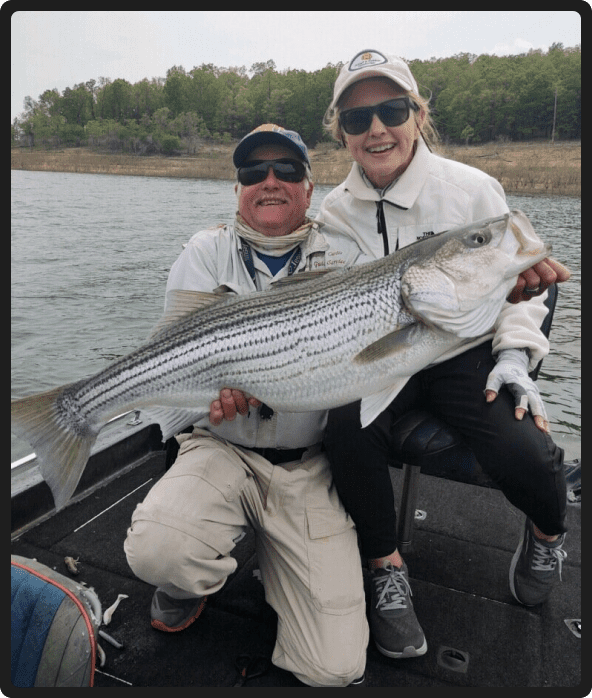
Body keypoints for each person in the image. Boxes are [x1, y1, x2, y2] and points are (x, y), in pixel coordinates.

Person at [317, 49, 569, 660]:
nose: (376, 128)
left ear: (418, 113)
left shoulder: (474, 190)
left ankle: (545, 533)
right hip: (387, 354)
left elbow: (526, 281)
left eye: (391, 109)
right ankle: (385, 567)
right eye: (357, 119)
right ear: (342, 133)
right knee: (345, 431)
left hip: (464, 349)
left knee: (529, 453)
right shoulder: (333, 211)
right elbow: (334, 310)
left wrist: (513, 355)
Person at [123, 124, 370, 687]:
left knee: (334, 668)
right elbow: (175, 355)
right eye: (252, 173)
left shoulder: (347, 254)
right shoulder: (204, 250)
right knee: (161, 550)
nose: (269, 182)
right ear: (237, 189)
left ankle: (272, 554)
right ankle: (186, 581)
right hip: (220, 446)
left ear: (310, 188)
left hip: (308, 466)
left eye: (286, 171)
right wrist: (216, 392)